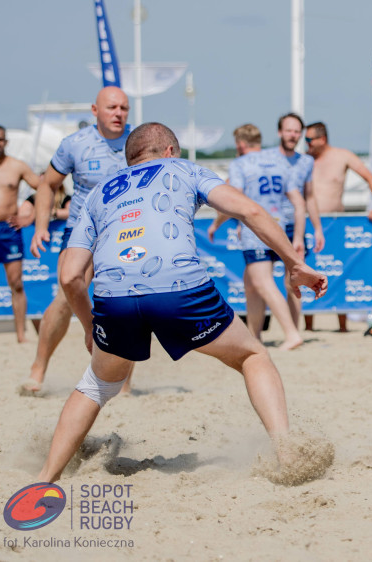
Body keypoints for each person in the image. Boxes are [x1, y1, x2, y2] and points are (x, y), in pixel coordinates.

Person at [36, 123, 328, 483]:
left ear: (129, 159)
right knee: (253, 356)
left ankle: (45, 478)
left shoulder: (99, 194)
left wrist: (89, 327)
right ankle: (287, 452)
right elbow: (250, 212)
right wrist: (294, 264)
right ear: (170, 151)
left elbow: (69, 276)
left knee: (96, 385)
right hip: (178, 287)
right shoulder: (184, 169)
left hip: (114, 298)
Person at [23, 86, 131, 395]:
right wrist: (42, 225)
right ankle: (39, 367)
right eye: (111, 107)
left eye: (123, 108)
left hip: (126, 230)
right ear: (95, 111)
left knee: (125, 300)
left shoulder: (137, 141)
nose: (118, 113)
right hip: (82, 228)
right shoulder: (75, 144)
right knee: (66, 295)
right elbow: (47, 185)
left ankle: (123, 381)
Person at [209, 124, 308, 350]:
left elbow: (232, 199)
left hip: (255, 231)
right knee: (251, 284)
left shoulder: (240, 164)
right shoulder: (279, 163)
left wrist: (216, 223)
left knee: (263, 282)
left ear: (240, 144)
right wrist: (299, 235)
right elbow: (298, 203)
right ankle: (254, 336)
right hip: (278, 228)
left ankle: (291, 333)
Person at [305, 119, 372, 332]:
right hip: (309, 223)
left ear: (322, 138)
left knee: (339, 271)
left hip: (335, 223)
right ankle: (308, 325)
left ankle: (342, 325)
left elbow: (369, 177)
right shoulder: (304, 160)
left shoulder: (342, 156)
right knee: (307, 271)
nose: (307, 143)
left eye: (310, 139)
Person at [0, 125, 40, 342]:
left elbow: (44, 187)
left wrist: (30, 216)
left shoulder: (17, 166)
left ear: (6, 142)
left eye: (0, 140)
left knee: (16, 283)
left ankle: (20, 336)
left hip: (8, 228)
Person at [275, 115, 325, 332]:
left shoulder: (306, 161)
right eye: (289, 130)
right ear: (280, 132)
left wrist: (318, 228)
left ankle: (293, 331)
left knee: (294, 279)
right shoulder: (267, 159)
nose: (293, 135)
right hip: (270, 223)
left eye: (297, 131)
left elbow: (310, 197)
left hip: (296, 226)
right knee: (259, 279)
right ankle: (257, 332)